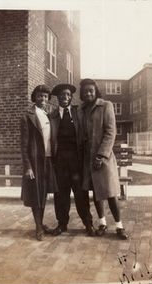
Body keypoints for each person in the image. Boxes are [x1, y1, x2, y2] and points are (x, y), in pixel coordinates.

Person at [77, 78, 129, 240]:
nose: (88, 93)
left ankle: (119, 226)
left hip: (104, 159)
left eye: (91, 90)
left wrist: (101, 155)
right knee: (96, 193)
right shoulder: (81, 109)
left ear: (96, 91)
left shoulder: (106, 105)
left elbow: (110, 132)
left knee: (110, 192)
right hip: (88, 160)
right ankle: (102, 223)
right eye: (85, 91)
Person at [49, 83, 95, 237]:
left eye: (68, 95)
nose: (65, 97)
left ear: (71, 97)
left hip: (76, 159)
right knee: (61, 194)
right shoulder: (53, 116)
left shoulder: (78, 113)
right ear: (57, 97)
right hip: (60, 159)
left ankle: (88, 223)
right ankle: (62, 224)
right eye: (62, 95)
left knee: (80, 193)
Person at [20, 85, 57, 241]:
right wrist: (28, 166)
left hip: (48, 160)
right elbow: (24, 145)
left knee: (43, 194)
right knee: (36, 194)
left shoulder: (49, 115)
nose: (43, 99)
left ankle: (41, 225)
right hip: (35, 161)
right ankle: (38, 228)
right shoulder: (28, 116)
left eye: (45, 96)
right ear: (34, 98)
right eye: (40, 96)